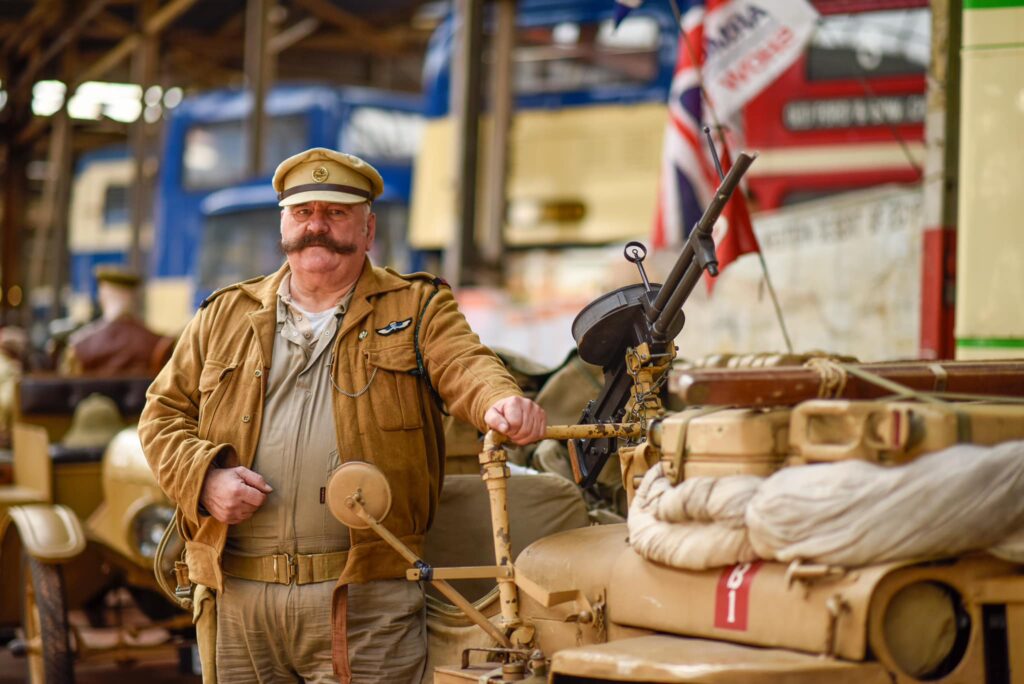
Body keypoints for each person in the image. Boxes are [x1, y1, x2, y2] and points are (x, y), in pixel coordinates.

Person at [139, 147, 547, 684]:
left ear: (368, 227)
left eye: (336, 214)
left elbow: (467, 365)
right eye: (304, 213)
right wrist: (206, 478)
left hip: (368, 600)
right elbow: (161, 415)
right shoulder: (225, 316)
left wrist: (499, 401)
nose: (318, 228)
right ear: (283, 224)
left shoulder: (417, 308)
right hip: (239, 596)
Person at [61, 266, 174, 375]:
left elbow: (69, 387)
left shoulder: (79, 344)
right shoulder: (160, 344)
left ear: (102, 296)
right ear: (134, 298)